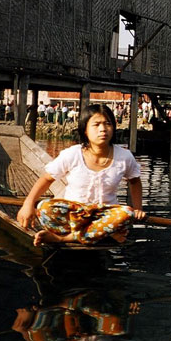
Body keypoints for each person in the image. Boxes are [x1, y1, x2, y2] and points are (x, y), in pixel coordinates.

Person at [16, 104, 146, 246]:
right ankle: (101, 233)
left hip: (104, 214)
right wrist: (28, 204)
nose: (103, 129)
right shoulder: (73, 154)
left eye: (107, 124)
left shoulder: (124, 156)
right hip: (73, 213)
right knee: (43, 208)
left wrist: (138, 209)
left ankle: (67, 238)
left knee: (127, 213)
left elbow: (134, 181)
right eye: (96, 125)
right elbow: (46, 179)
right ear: (85, 130)